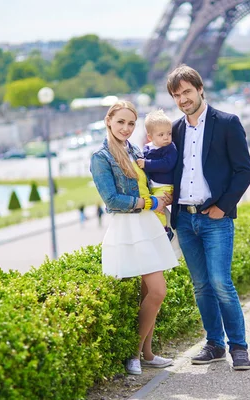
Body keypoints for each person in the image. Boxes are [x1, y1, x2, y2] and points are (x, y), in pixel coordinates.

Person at [166, 65, 250, 371]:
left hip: (214, 216)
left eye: (187, 92)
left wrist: (223, 207)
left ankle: (238, 347)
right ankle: (214, 343)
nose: (182, 99)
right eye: (176, 95)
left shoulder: (227, 123)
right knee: (201, 285)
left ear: (200, 89)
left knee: (220, 282)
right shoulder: (175, 129)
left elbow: (244, 170)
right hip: (185, 220)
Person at [90, 100, 178, 375]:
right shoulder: (101, 157)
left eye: (131, 123)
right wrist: (150, 203)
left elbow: (149, 182)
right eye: (121, 122)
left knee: (149, 292)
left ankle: (147, 353)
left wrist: (163, 196)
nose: (126, 128)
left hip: (148, 226)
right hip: (129, 228)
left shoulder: (136, 151)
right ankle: (134, 354)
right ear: (109, 121)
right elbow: (112, 200)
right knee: (158, 290)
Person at [136, 109, 178, 240]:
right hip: (153, 186)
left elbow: (167, 164)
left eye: (169, 133)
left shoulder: (170, 148)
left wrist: (146, 164)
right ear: (150, 137)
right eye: (161, 135)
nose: (166, 137)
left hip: (165, 186)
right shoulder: (147, 148)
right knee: (150, 208)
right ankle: (157, 229)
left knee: (157, 207)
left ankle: (165, 230)